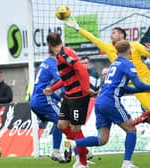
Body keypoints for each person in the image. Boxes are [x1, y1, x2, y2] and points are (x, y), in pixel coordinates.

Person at [67, 40, 150, 168]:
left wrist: (144, 89)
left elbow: (124, 88)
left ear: (117, 52)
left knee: (102, 140)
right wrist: (146, 87)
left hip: (99, 102)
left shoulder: (114, 64)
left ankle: (74, 144)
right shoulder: (128, 64)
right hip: (111, 101)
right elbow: (138, 84)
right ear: (130, 51)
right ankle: (127, 163)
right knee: (131, 129)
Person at [64, 18, 150, 110]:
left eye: (113, 33)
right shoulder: (108, 48)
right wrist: (77, 28)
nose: (110, 35)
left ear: (121, 35)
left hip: (147, 77)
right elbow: (93, 38)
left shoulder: (135, 45)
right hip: (135, 85)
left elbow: (148, 53)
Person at [44, 32, 97, 168]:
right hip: (68, 96)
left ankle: (83, 163)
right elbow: (66, 76)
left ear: (49, 44)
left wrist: (86, 89)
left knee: (75, 129)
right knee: (61, 125)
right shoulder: (61, 54)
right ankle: (83, 149)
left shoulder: (64, 54)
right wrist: (52, 88)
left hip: (78, 96)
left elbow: (81, 69)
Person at [30, 49, 65, 162]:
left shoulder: (45, 63)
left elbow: (46, 88)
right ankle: (81, 153)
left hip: (35, 101)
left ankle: (56, 151)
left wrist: (59, 98)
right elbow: (62, 81)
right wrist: (65, 95)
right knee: (64, 120)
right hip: (43, 100)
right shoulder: (53, 64)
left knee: (60, 122)